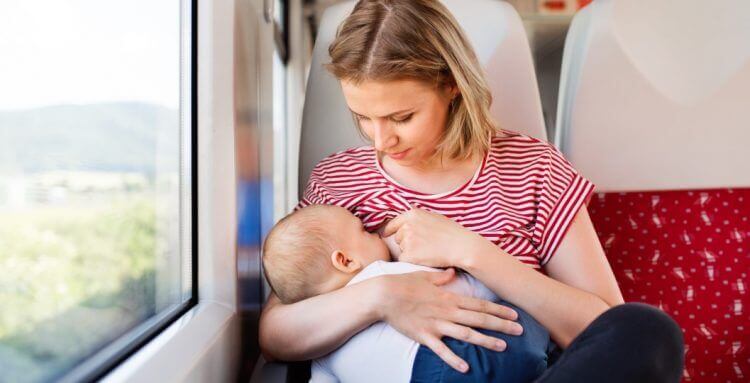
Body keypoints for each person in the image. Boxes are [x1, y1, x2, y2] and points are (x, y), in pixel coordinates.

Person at [259, 1, 685, 382]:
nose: (379, 140)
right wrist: (381, 296)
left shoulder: (535, 169)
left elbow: (605, 328)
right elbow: (275, 334)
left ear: (451, 85)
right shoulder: (339, 180)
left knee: (649, 332)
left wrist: (472, 254)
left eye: (401, 117)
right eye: (363, 117)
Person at [262, 204, 550, 382]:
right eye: (364, 231)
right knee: (524, 319)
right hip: (453, 364)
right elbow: (459, 291)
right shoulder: (380, 273)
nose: (377, 234)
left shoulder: (320, 343)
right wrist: (492, 285)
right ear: (346, 261)